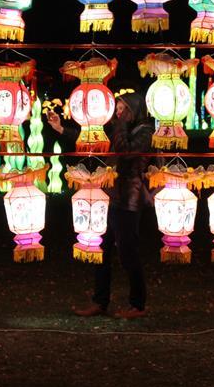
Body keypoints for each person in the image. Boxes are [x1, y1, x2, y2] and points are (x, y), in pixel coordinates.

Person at [47, 91, 154, 319]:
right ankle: (100, 301)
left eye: (122, 108)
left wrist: (121, 125)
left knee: (128, 253)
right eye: (117, 108)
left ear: (134, 109)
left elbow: (126, 152)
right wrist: (60, 129)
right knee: (101, 250)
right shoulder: (118, 129)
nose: (118, 111)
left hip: (128, 199)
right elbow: (94, 141)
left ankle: (138, 304)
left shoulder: (144, 130)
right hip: (109, 197)